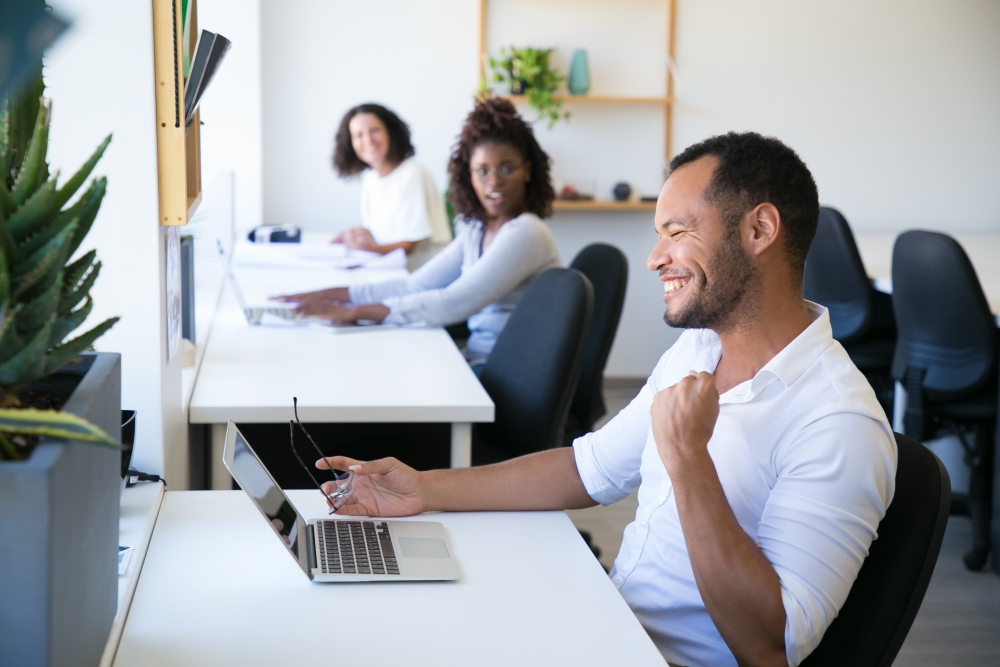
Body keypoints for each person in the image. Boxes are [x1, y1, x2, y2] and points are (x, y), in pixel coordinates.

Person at [310, 132, 897, 667]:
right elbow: (588, 468)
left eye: (678, 231)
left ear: (760, 230)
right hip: (609, 623)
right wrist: (426, 489)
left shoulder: (838, 421)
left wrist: (688, 460)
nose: (655, 258)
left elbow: (770, 645)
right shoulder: (697, 350)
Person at [279, 96, 561, 367]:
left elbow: (455, 302)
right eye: (482, 171)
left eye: (507, 168)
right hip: (478, 358)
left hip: (506, 370)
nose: (494, 182)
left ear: (527, 171)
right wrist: (325, 295)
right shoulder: (478, 231)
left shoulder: (527, 233)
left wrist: (353, 312)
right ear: (469, 175)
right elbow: (413, 286)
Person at [331, 103, 451, 258]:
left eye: (374, 130)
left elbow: (409, 245)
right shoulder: (371, 179)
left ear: (390, 132)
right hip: (390, 270)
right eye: (359, 135)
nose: (368, 140)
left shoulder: (412, 174)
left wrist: (364, 248)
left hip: (421, 275)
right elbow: (384, 233)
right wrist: (353, 236)